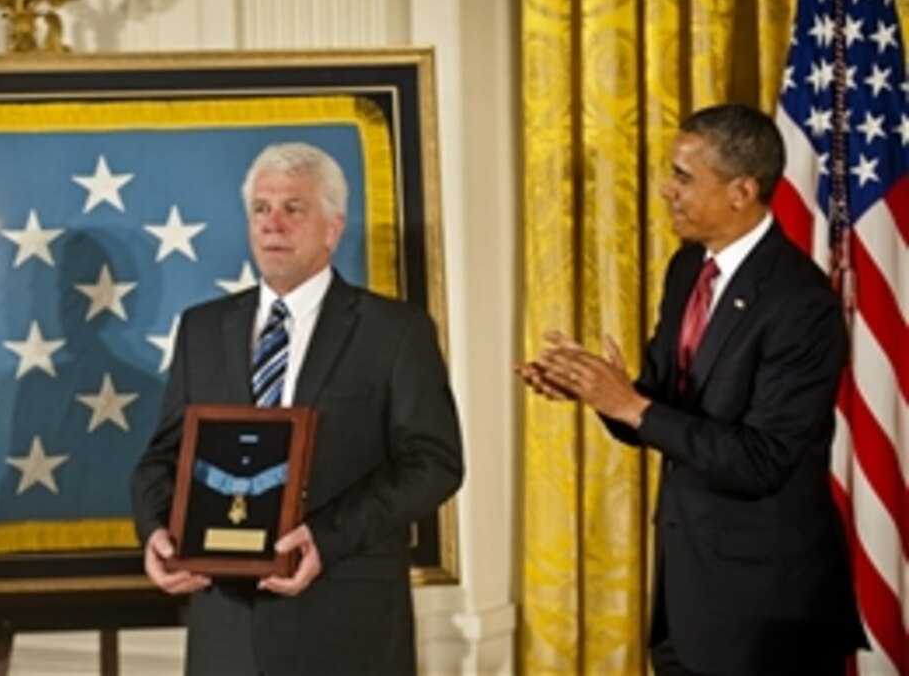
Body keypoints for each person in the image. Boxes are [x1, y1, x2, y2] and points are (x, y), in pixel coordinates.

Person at [517, 104, 867, 675]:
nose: (664, 189)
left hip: (767, 612)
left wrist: (632, 404)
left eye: (683, 177)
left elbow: (762, 461)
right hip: (688, 599)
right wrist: (596, 390)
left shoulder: (800, 304)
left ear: (741, 191)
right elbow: (663, 410)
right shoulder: (687, 270)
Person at [132, 142, 464, 674]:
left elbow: (435, 462)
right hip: (227, 632)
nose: (273, 224)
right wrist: (155, 532)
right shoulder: (202, 328)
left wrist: (325, 539)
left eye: (294, 208)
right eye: (261, 209)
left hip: (346, 624)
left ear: (333, 227)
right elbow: (161, 460)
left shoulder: (395, 332)